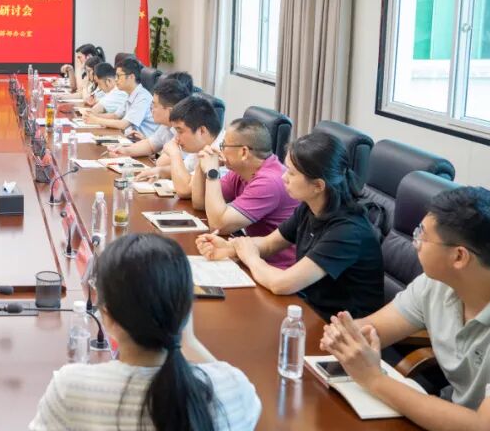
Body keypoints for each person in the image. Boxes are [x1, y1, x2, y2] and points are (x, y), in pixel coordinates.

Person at [319, 186, 490, 431]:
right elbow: (372, 329)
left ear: (459, 257)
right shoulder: (436, 285)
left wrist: (374, 379)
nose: (414, 242)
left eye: (423, 235)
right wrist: (344, 335)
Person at [25, 233, 260, 431]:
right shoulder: (232, 389)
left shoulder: (70, 390)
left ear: (106, 316)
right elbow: (220, 379)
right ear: (186, 310)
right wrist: (188, 341)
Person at [196, 132, 384, 319]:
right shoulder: (310, 208)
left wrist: (250, 258)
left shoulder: (347, 232)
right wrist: (231, 247)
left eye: (292, 173)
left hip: (338, 326)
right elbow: (269, 244)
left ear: (318, 186)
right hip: (308, 309)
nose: (284, 177)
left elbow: (282, 284)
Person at [190, 118, 298, 269]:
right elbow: (199, 202)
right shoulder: (243, 171)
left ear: (244, 152)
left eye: (224, 146)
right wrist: (201, 163)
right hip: (252, 256)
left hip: (275, 268)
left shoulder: (269, 182)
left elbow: (218, 225)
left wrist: (212, 171)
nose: (221, 150)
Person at [134, 94, 223, 197]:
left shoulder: (221, 151)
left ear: (202, 131)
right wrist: (159, 171)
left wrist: (175, 154)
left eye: (180, 131)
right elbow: (185, 170)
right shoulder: (202, 145)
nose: (176, 138)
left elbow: (185, 190)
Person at [106, 76, 192, 161]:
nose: (151, 108)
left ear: (170, 111)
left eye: (155, 105)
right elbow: (150, 145)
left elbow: (163, 163)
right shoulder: (166, 125)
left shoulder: (186, 132)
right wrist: (124, 151)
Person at [81, 57, 157, 137]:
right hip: (130, 137)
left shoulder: (142, 98)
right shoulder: (130, 94)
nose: (116, 79)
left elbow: (123, 124)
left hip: (140, 141)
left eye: (118, 76)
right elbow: (115, 116)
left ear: (131, 77)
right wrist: (91, 116)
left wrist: (96, 120)